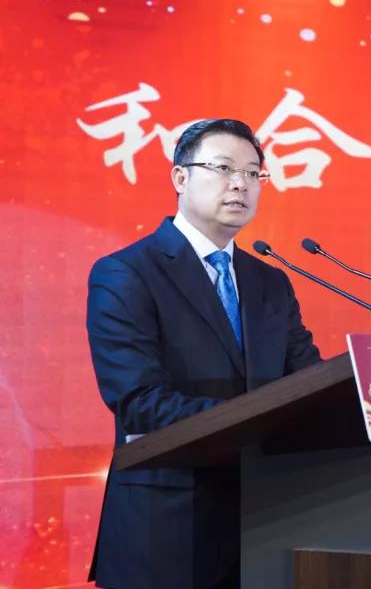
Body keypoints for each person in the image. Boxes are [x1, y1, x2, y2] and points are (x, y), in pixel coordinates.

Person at [86, 119, 322, 589]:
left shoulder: (270, 281)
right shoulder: (126, 273)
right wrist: (261, 425)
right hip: (169, 533)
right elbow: (138, 401)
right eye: (223, 168)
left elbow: (308, 381)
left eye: (253, 173)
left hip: (269, 526)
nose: (240, 183)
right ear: (180, 177)